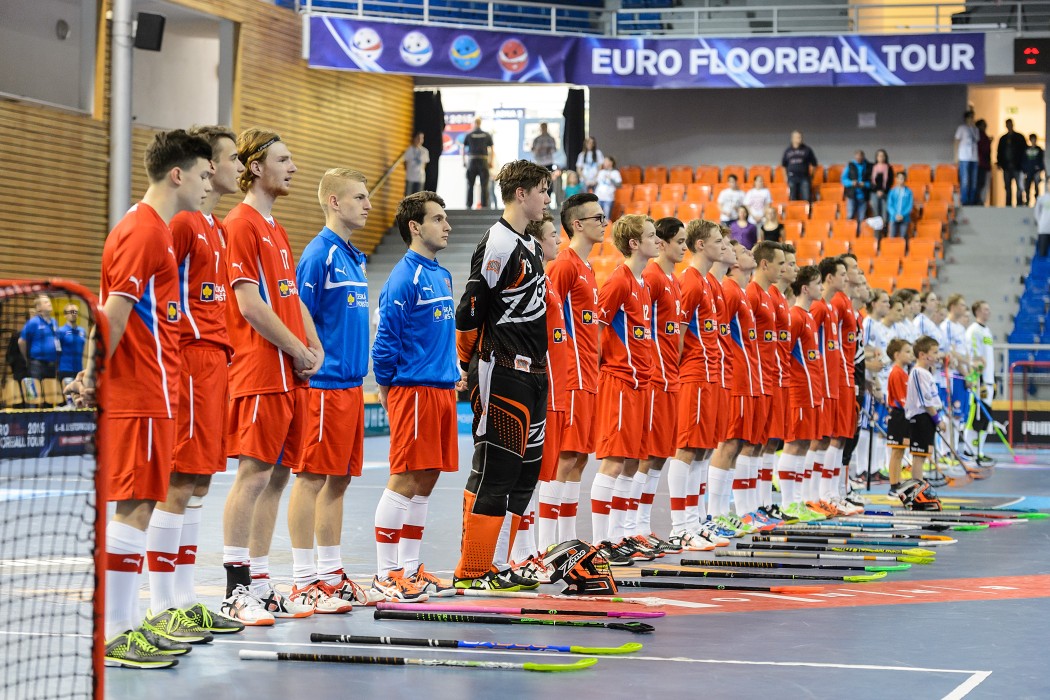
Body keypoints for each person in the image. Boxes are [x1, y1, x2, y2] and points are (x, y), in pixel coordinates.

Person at [71, 129, 214, 668]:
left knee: (142, 504)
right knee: (133, 508)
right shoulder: (145, 233)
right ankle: (114, 633)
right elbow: (111, 315)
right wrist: (90, 376)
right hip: (139, 392)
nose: (206, 185)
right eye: (202, 175)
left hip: (155, 391)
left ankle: (129, 624)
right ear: (177, 175)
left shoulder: (154, 230)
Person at [144, 126, 246, 643]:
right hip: (189, 358)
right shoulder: (183, 222)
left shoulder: (219, 227)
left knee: (200, 482)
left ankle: (184, 600)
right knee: (178, 481)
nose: (234, 170)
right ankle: (163, 606)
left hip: (216, 361)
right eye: (228, 161)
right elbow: (159, 287)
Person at [220, 128, 322, 625]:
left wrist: (313, 341)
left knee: (279, 475)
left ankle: (260, 582)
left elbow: (288, 295)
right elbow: (248, 302)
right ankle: (236, 589)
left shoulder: (275, 227)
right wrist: (296, 347)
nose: (293, 168)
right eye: (284, 159)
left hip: (290, 368)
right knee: (254, 474)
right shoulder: (239, 223)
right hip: (261, 368)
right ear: (256, 167)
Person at [452, 160, 550, 591]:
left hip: (534, 374)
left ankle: (499, 563)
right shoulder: (498, 242)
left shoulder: (528, 242)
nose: (548, 199)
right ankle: (471, 570)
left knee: (524, 473)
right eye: (544, 191)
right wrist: (469, 366)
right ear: (522, 194)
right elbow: (471, 308)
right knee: (494, 469)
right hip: (501, 369)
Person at [286, 168, 380, 615]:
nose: (367, 204)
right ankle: (303, 580)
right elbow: (295, 311)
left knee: (339, 481)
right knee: (311, 478)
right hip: (322, 386)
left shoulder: (353, 257)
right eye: (359, 197)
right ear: (334, 203)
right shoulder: (318, 255)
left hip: (351, 388)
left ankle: (331, 574)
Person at [372, 190, 464, 599]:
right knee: (404, 478)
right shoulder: (401, 278)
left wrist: (453, 369)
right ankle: (385, 572)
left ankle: (410, 568)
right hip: (413, 391)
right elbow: (385, 342)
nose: (447, 226)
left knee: (427, 479)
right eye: (438, 219)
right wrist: (389, 389)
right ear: (415, 226)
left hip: (441, 389)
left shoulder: (441, 274)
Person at [589, 214, 659, 564]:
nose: (656, 239)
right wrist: (600, 371)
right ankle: (602, 542)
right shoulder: (618, 280)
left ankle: (621, 534)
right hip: (619, 380)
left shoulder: (643, 284)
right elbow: (597, 329)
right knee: (614, 462)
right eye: (650, 235)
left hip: (641, 383)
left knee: (632, 461)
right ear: (634, 243)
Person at [670, 219, 734, 550]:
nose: (723, 245)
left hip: (711, 376)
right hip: (693, 375)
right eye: (717, 241)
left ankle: (696, 521)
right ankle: (680, 526)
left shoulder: (708, 283)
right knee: (687, 449)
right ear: (700, 245)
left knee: (703, 451)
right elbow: (677, 338)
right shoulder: (691, 283)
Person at [546, 193, 604, 547]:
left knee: (579, 459)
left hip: (588, 377)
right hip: (569, 377)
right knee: (564, 458)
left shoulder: (588, 268)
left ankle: (566, 543)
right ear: (577, 224)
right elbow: (547, 318)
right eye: (596, 217)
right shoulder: (564, 265)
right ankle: (547, 545)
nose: (603, 223)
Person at [635, 217, 689, 553]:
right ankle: (636, 528)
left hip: (671, 375)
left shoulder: (674, 281)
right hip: (654, 376)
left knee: (658, 456)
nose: (682, 247)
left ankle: (643, 527)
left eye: (685, 241)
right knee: (645, 453)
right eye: (678, 241)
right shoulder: (652, 277)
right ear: (662, 245)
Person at [520, 212, 567, 573]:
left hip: (553, 384)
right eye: (553, 235)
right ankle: (521, 555)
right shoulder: (538, 278)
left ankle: (535, 550)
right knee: (527, 473)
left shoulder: (546, 282)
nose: (559, 241)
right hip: (537, 383)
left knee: (541, 471)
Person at [780, 265, 826, 521]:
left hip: (812, 391)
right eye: (818, 283)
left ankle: (797, 500)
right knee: (794, 445)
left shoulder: (808, 316)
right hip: (798, 391)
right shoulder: (795, 316)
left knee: (805, 445)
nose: (822, 288)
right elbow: (784, 355)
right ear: (806, 288)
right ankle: (789, 503)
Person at [904, 335, 947, 494]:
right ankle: (916, 489)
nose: (937, 356)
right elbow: (926, 402)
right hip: (921, 418)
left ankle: (919, 485)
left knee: (922, 454)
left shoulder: (927, 373)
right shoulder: (918, 372)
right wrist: (937, 420)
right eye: (934, 353)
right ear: (922, 355)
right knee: (919, 455)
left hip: (927, 419)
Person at [884, 338, 914, 498]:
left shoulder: (903, 372)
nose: (911, 355)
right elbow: (901, 399)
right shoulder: (896, 372)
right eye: (907, 352)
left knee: (901, 452)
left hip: (904, 414)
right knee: (896, 452)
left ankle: (897, 482)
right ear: (897, 355)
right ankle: (893, 485)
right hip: (899, 415)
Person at [965, 300, 995, 462]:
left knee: (985, 418)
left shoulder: (987, 331)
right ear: (977, 311)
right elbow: (975, 357)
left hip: (989, 380)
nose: (988, 311)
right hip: (979, 382)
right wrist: (980, 381)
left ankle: (979, 451)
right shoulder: (974, 331)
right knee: (975, 417)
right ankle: (970, 449)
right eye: (985, 309)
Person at [19, 295, 59, 381]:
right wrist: (26, 358)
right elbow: (21, 341)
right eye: (45, 302)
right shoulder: (33, 322)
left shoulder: (54, 322)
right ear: (39, 308)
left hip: (52, 364)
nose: (49, 303)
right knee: (37, 391)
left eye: (49, 301)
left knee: (50, 391)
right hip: (37, 365)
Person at [463, 117, 494, 209]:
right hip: (483, 160)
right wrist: (490, 161)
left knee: (470, 184)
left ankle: (469, 205)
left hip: (472, 160)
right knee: (484, 185)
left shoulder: (469, 135)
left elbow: (463, 149)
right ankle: (485, 205)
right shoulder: (486, 135)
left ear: (474, 123)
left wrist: (464, 161)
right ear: (480, 123)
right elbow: (492, 149)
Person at [998, 118, 1028, 206]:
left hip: (1017, 166)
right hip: (1006, 166)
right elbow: (999, 151)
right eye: (1008, 124)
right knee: (1007, 186)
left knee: (1019, 186)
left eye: (1010, 124)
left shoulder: (1019, 137)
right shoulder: (1003, 139)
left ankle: (1019, 202)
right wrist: (1000, 163)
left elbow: (1024, 151)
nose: (1009, 126)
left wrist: (1023, 164)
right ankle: (1008, 203)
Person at [782, 130, 817, 202]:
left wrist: (812, 176)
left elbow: (814, 164)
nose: (800, 139)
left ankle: (807, 212)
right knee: (793, 199)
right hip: (792, 178)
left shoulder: (807, 150)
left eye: (801, 137)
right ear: (793, 139)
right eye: (798, 137)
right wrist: (785, 177)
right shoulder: (788, 151)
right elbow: (783, 165)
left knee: (806, 198)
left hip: (804, 177)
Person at [56, 303, 86, 385]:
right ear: (65, 315)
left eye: (76, 312)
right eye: (71, 312)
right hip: (65, 369)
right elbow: (57, 351)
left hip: (79, 370)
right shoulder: (60, 331)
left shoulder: (82, 331)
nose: (74, 314)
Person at [842, 149, 873, 224]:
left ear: (863, 157)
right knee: (850, 216)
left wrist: (865, 184)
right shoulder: (850, 165)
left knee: (862, 218)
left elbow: (873, 182)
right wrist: (851, 183)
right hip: (851, 195)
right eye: (857, 157)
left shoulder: (869, 166)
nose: (859, 158)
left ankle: (861, 234)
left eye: (860, 157)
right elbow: (843, 179)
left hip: (863, 196)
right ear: (855, 157)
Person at [955, 111, 979, 206]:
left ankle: (972, 200)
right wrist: (956, 156)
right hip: (964, 157)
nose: (972, 119)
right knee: (965, 180)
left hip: (974, 158)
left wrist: (972, 127)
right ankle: (965, 200)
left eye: (973, 117)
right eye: (970, 117)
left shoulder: (975, 129)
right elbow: (956, 141)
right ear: (966, 118)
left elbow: (977, 140)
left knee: (973, 180)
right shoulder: (961, 128)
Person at [885, 172, 914, 239]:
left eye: (903, 178)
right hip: (893, 218)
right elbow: (889, 205)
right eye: (899, 178)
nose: (901, 180)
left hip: (905, 218)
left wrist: (903, 215)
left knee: (902, 238)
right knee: (892, 238)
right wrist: (895, 215)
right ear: (896, 179)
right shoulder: (892, 191)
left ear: (905, 179)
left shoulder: (909, 192)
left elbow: (910, 205)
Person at [869, 149, 894, 221]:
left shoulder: (889, 168)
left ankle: (885, 230)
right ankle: (877, 231)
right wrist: (877, 191)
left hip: (885, 193)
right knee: (876, 214)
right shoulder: (872, 167)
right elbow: (871, 181)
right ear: (876, 157)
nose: (881, 157)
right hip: (874, 193)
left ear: (885, 157)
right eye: (879, 156)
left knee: (885, 213)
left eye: (883, 156)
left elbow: (890, 182)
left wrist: (883, 191)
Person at [403, 132, 429, 197]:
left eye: (421, 138)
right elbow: (405, 163)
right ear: (414, 138)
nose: (419, 140)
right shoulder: (409, 150)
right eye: (418, 138)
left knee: (418, 198)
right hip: (410, 177)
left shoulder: (425, 151)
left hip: (420, 178)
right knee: (408, 197)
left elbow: (425, 164)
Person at [1023, 134, 1045, 206]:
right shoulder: (1027, 149)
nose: (1033, 141)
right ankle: (1027, 200)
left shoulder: (1039, 149)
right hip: (1029, 171)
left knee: (1036, 186)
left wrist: (1040, 169)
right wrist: (1025, 170)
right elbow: (1024, 160)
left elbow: (1041, 160)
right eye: (1032, 139)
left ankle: (1037, 201)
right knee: (1027, 186)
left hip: (1036, 171)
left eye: (1034, 139)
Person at [976, 119, 992, 205]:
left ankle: (981, 200)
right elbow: (984, 149)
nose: (985, 126)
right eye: (983, 125)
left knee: (983, 183)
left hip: (984, 164)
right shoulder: (979, 135)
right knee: (980, 183)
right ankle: (979, 200)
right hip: (981, 164)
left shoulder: (984, 135)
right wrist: (989, 142)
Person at [1036, 182, 1050, 257]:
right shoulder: (1041, 198)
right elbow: (1037, 213)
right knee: (1042, 255)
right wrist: (1041, 223)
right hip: (1044, 230)